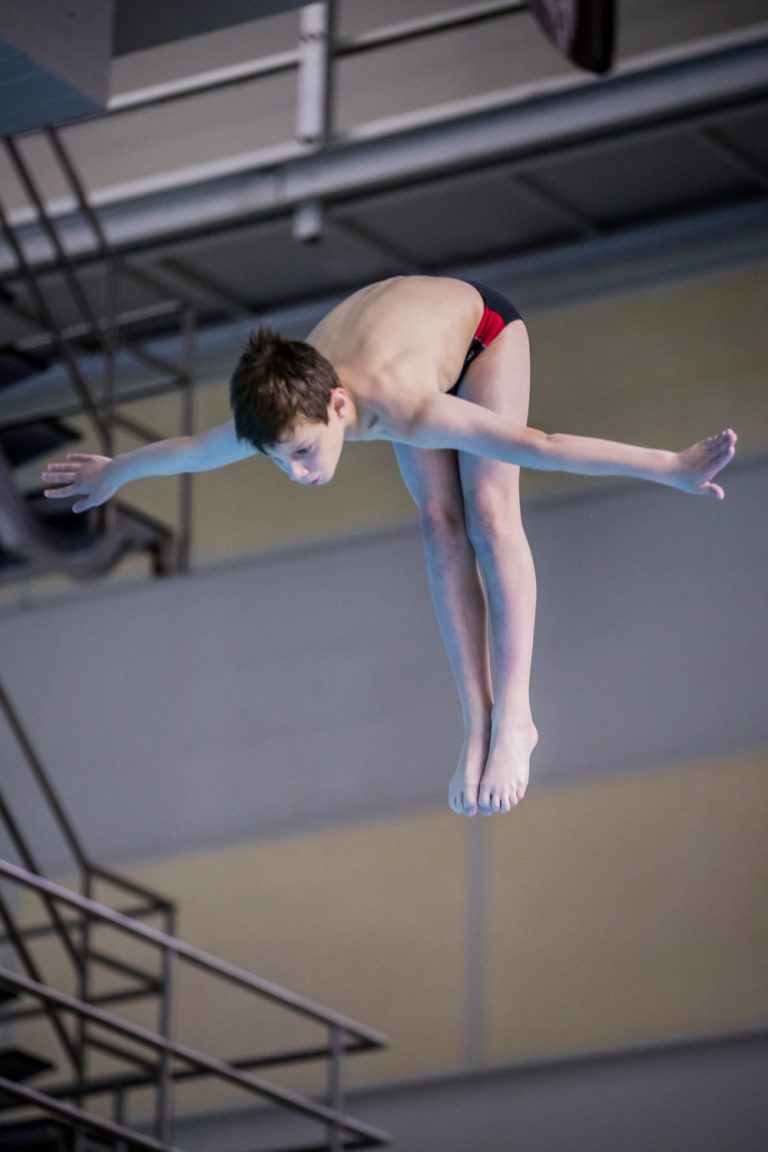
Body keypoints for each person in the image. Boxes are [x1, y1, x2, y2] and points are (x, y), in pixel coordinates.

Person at [42, 276, 737, 817]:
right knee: (438, 527)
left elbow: (544, 446)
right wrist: (116, 471)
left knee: (491, 512)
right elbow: (194, 450)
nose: (300, 472)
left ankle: (516, 716)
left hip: (479, 337)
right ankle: (477, 723)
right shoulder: (282, 414)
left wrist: (669, 467)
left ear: (338, 408)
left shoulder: (408, 405)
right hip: (389, 338)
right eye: (281, 462)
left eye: (306, 452)